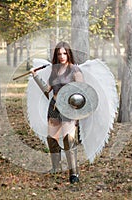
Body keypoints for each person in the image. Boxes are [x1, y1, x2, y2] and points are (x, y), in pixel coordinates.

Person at [30, 41, 83, 184]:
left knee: (68, 140)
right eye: (59, 54)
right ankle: (56, 167)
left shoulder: (75, 70)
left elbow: (81, 92)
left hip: (69, 108)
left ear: (69, 54)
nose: (62, 56)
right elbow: (47, 90)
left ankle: (74, 173)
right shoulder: (54, 70)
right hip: (54, 107)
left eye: (64, 53)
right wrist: (35, 76)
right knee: (52, 139)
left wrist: (76, 113)